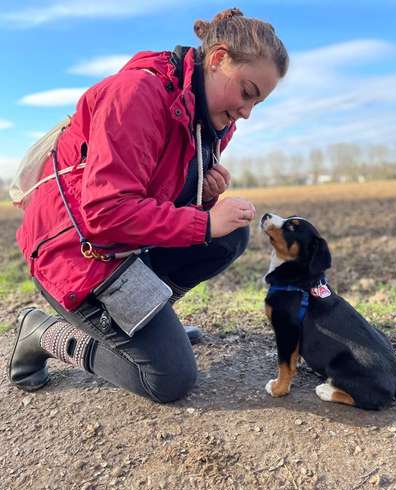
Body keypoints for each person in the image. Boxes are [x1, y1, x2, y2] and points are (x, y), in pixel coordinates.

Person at [8, 8, 289, 403]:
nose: (246, 111)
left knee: (230, 235)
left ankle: (147, 320)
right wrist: (205, 224)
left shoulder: (210, 119)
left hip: (124, 247)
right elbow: (106, 213)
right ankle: (43, 332)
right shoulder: (136, 95)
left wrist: (203, 196)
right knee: (168, 379)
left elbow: (153, 196)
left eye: (257, 104)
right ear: (218, 58)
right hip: (77, 255)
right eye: (247, 93)